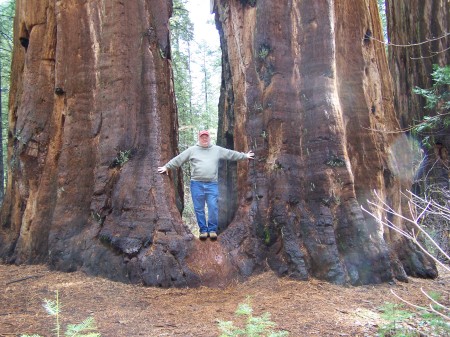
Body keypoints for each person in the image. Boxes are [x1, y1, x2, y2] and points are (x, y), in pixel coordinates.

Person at [158, 130, 254, 240]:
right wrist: (167, 167)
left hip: (212, 184)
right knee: (199, 208)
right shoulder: (192, 150)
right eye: (202, 137)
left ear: (209, 138)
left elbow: (230, 154)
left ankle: (212, 230)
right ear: (199, 138)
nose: (204, 139)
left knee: (213, 207)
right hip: (196, 184)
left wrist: (245, 156)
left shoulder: (216, 150)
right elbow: (179, 159)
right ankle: (203, 230)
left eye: (206, 137)